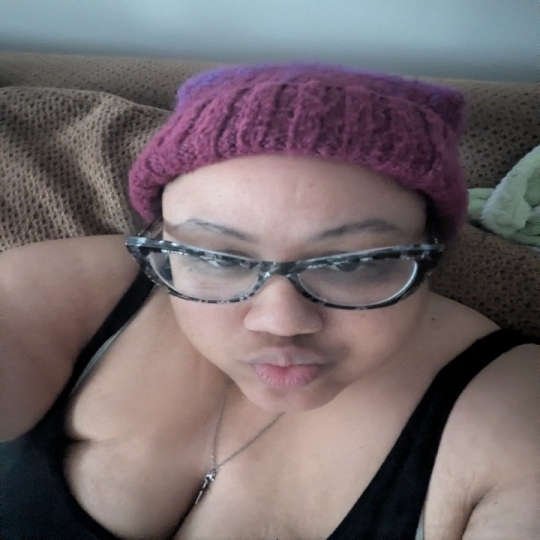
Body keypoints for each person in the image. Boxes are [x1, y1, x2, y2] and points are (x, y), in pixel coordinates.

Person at [1, 62, 539, 540]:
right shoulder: (72, 289)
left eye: (351, 264)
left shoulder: (515, 418)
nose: (280, 322)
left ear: (432, 252)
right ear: (161, 239)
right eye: (215, 257)